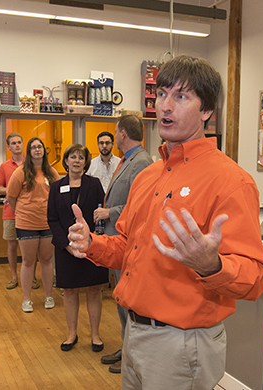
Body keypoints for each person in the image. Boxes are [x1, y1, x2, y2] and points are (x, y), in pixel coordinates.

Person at [65, 55, 263, 390]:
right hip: (133, 332)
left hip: (182, 344)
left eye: (181, 96)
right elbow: (129, 249)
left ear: (207, 111)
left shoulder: (231, 181)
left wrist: (211, 265)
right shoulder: (148, 176)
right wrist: (93, 244)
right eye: (162, 94)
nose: (166, 106)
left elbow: (256, 277)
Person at [91, 114, 153, 374]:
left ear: (123, 134)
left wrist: (110, 212)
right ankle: (126, 346)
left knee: (128, 300)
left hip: (128, 238)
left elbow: (142, 204)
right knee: (120, 298)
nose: (114, 137)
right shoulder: (129, 160)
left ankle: (133, 356)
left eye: (116, 133)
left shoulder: (141, 162)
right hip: (118, 239)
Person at [48, 144, 107, 352]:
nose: (76, 160)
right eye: (72, 157)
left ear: (85, 162)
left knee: (94, 290)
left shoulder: (95, 184)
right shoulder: (56, 186)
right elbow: (52, 219)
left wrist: (95, 239)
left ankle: (95, 335)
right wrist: (66, 246)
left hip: (91, 247)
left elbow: (101, 213)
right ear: (65, 161)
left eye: (80, 157)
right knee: (70, 291)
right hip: (66, 249)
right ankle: (72, 334)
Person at [5, 137, 60, 313]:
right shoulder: (20, 172)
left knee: (46, 260)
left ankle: (48, 296)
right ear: (29, 152)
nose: (37, 149)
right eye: (34, 147)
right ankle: (27, 299)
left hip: (47, 223)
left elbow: (58, 197)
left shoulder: (52, 172)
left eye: (40, 147)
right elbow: (11, 198)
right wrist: (23, 212)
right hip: (26, 223)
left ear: (44, 150)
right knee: (28, 262)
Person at [0, 132, 40, 290]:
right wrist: (12, 189)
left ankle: (32, 276)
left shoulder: (32, 164)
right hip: (10, 211)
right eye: (13, 143)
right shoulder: (4, 166)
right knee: (12, 245)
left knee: (32, 246)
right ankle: (14, 277)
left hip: (30, 212)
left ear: (23, 145)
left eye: (19, 142)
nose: (17, 145)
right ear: (8, 147)